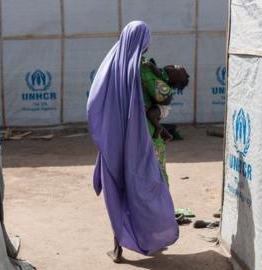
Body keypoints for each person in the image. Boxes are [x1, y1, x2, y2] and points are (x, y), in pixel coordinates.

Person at [87, 21, 179, 263]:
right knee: (150, 186)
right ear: (143, 41)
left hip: (115, 140)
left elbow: (94, 101)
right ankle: (153, 237)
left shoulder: (109, 67)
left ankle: (117, 246)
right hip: (144, 139)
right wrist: (165, 78)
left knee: (119, 190)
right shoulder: (143, 69)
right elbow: (163, 94)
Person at [141, 58, 189, 143]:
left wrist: (151, 65)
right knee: (151, 119)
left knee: (150, 115)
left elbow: (158, 73)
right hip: (158, 106)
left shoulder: (164, 77)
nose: (173, 67)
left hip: (162, 108)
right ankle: (166, 135)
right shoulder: (161, 76)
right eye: (174, 66)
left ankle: (158, 132)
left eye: (176, 68)